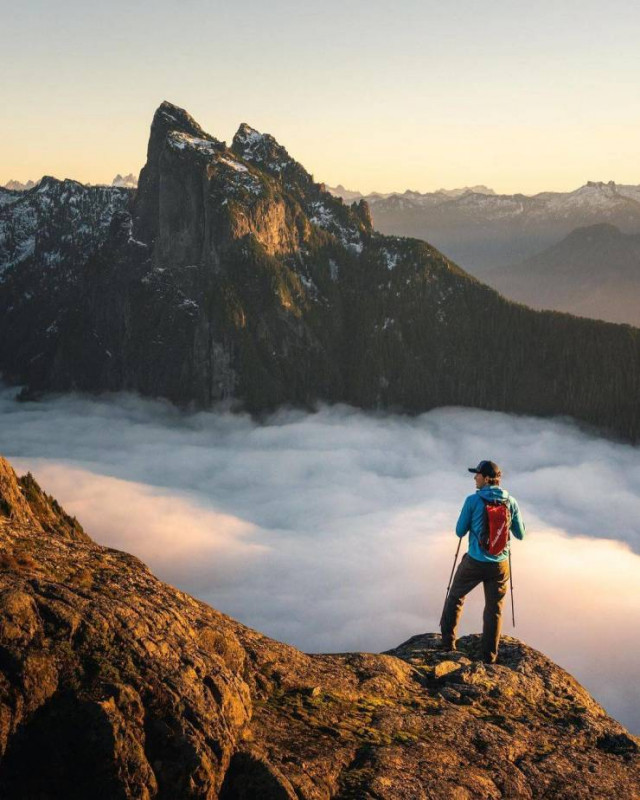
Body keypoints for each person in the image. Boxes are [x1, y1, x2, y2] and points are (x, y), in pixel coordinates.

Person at [440, 460, 525, 664]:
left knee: (455, 597)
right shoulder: (510, 502)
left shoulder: (473, 500)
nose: (474, 478)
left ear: (487, 479)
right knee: (494, 609)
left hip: (475, 561)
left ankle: (448, 644)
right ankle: (489, 657)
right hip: (500, 565)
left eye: (477, 474)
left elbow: (460, 531)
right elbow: (520, 534)